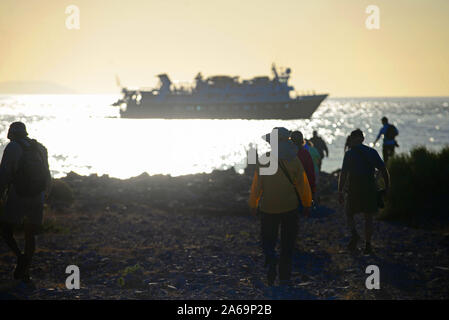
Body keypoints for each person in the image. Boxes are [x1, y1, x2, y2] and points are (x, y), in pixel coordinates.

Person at [249, 127, 312, 286]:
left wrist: (253, 204)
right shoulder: (294, 160)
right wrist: (306, 203)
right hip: (289, 208)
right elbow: (302, 185)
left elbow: (257, 185)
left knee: (268, 240)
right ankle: (284, 276)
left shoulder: (264, 159)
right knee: (287, 243)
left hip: (268, 208)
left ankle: (271, 260)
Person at [0, 122, 51, 282]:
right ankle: (25, 271)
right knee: (31, 234)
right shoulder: (40, 148)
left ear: (11, 134)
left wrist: (1, 194)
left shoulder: (12, 147)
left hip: (18, 195)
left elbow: (5, 174)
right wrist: (44, 195)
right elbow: (47, 175)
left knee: (6, 230)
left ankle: (20, 257)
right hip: (38, 195)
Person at [338, 129, 390, 255]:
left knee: (349, 213)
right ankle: (368, 245)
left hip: (354, 188)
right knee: (368, 217)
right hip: (370, 188)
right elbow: (383, 169)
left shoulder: (349, 154)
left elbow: (344, 173)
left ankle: (355, 234)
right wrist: (387, 187)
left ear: (352, 139)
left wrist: (340, 190)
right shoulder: (371, 152)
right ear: (362, 139)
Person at [291, 131, 316, 195]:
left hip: (290, 190)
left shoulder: (287, 154)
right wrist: (312, 189)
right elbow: (311, 173)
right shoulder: (305, 154)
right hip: (303, 188)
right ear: (302, 141)